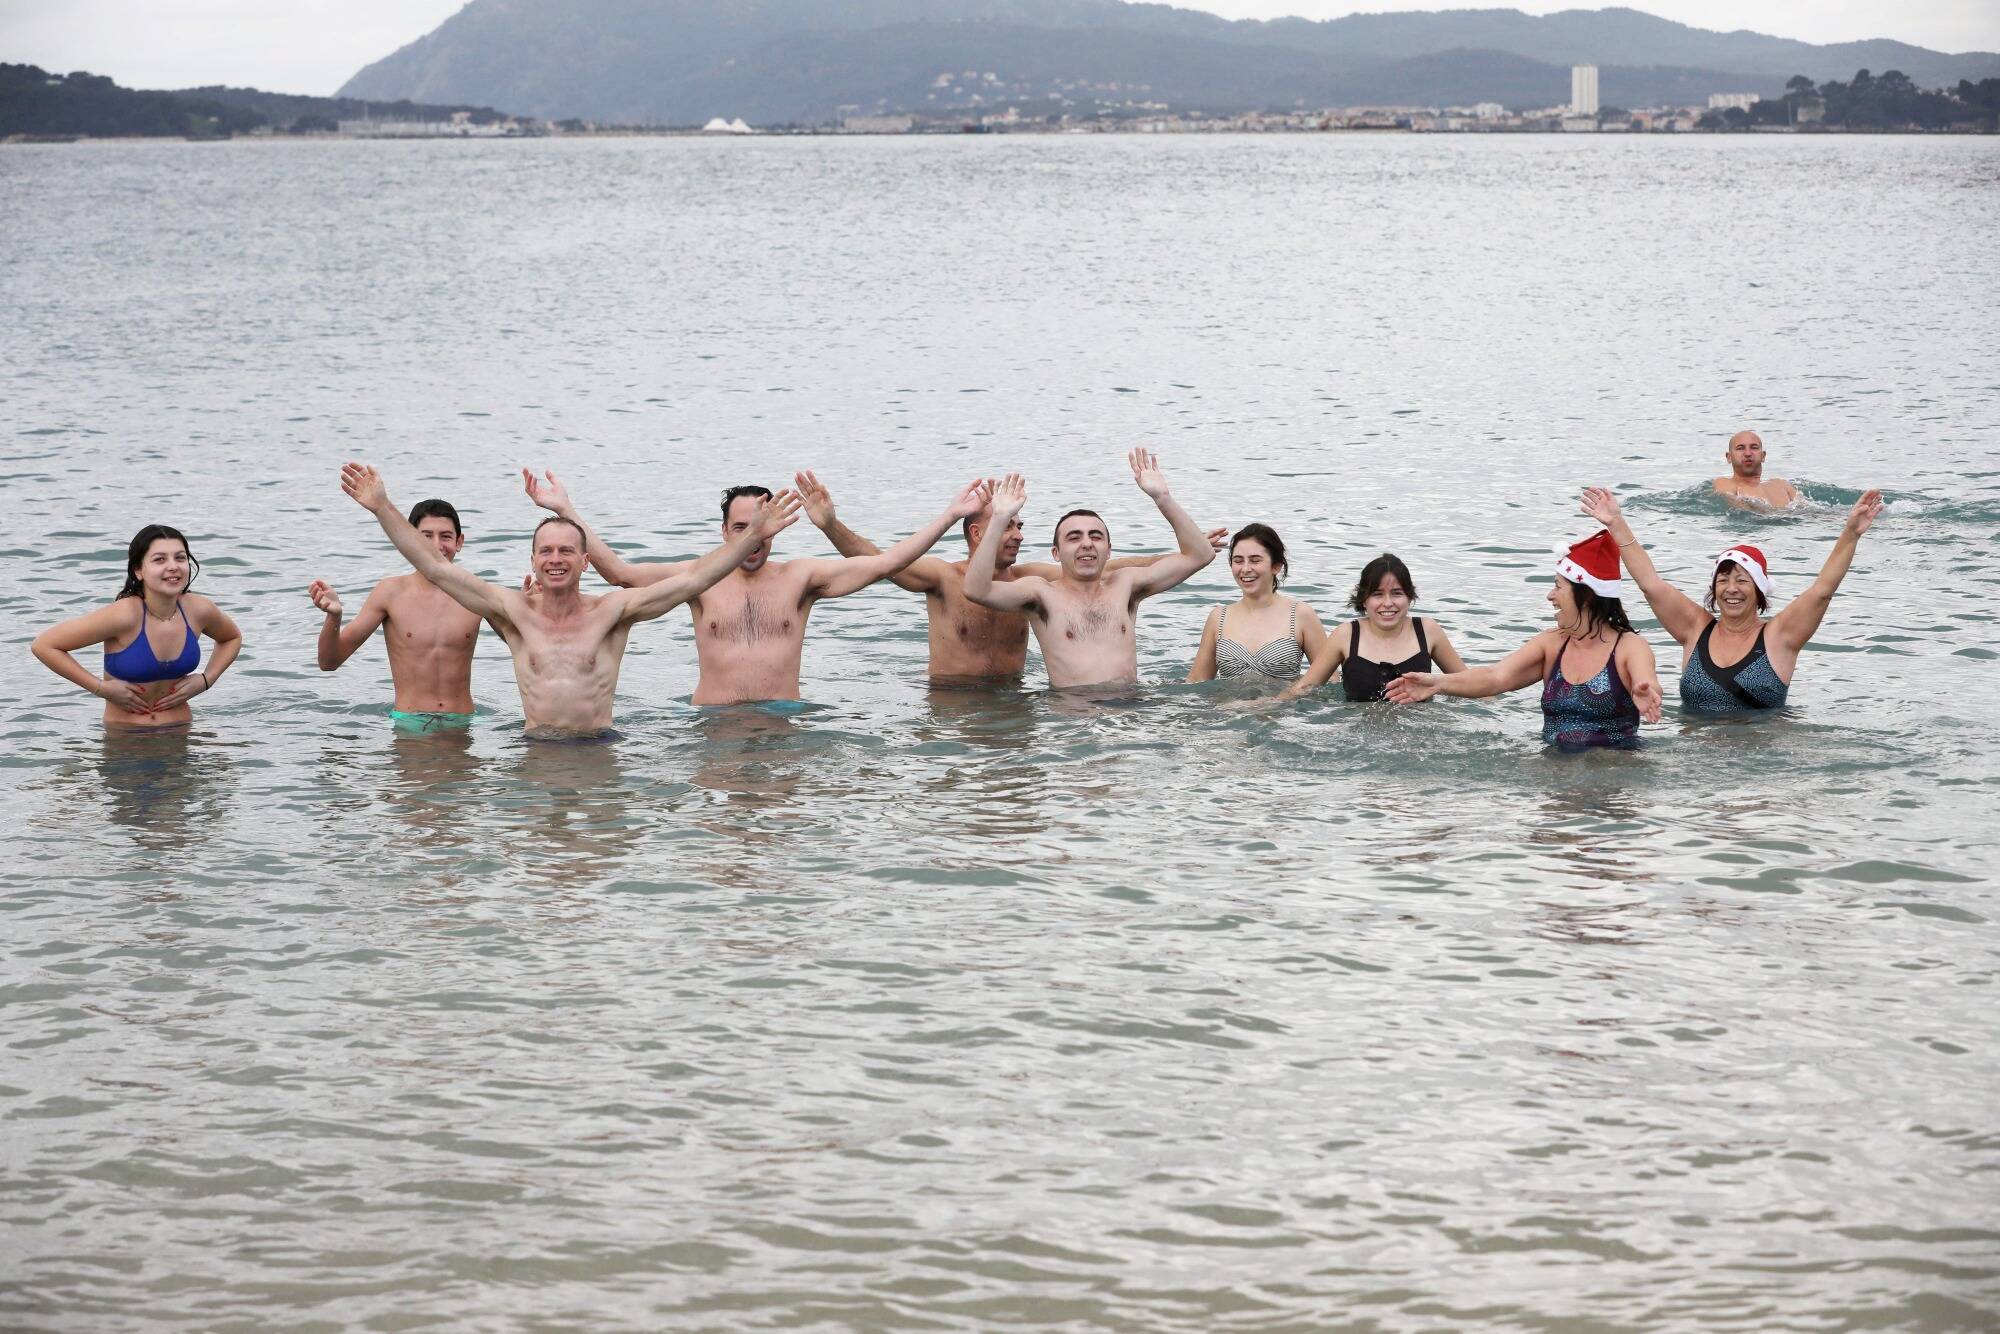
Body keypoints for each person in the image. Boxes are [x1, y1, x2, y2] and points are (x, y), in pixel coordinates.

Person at [340, 462, 803, 736]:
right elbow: (435, 567)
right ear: (534, 560)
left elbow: (692, 581)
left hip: (599, 748)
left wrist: (749, 539)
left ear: (585, 562)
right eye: (546, 551)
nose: (555, 559)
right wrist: (383, 506)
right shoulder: (511, 611)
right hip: (534, 749)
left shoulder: (615, 611)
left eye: (566, 551)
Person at [523, 469, 990, 705]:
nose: (755, 537)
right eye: (744, 527)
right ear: (725, 532)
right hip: (713, 723)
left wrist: (950, 516)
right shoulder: (699, 578)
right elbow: (618, 572)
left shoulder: (801, 578)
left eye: (764, 527)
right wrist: (565, 509)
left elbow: (888, 562)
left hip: (783, 722)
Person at [796, 471, 1225, 683]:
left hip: (1013, 697)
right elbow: (878, 561)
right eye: (1009, 526)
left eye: (1020, 525)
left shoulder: (1030, 578)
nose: (1019, 534)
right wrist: (831, 525)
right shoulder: (944, 578)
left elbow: (1105, 566)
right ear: (980, 533)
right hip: (954, 698)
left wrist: (1189, 551)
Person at [1580, 485, 1885, 714]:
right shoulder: (1695, 629)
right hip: (1698, 763)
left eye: (1742, 580)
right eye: (1723, 580)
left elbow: (1822, 590)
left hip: (1762, 764)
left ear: (1759, 593)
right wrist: (1617, 524)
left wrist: (1850, 534)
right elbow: (1650, 583)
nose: (1731, 588)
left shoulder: (1779, 636)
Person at [963, 450, 1217, 689]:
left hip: (1131, 711)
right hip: (1071, 715)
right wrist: (998, 518)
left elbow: (1200, 555)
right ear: (1056, 553)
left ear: (1108, 550)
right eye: (1074, 538)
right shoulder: (1040, 594)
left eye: (1095, 536)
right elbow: (976, 589)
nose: (1086, 543)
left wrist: (1162, 498)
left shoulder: (1126, 585)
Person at [1386, 531, 1663, 749]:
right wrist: (1437, 684)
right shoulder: (1551, 644)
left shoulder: (1628, 647)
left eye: (1557, 586)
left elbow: (1646, 682)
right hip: (1554, 773)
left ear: (1587, 596)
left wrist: (1645, 691)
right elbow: (1495, 678)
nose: (1550, 596)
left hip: (1613, 774)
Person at [32, 524, 243, 729]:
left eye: (180, 558)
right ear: (139, 570)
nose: (173, 566)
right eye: (160, 559)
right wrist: (101, 688)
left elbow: (231, 638)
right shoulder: (124, 615)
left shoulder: (198, 609)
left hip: (180, 733)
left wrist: (207, 680)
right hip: (125, 740)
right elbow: (45, 645)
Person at [307, 498, 486, 731]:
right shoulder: (390, 593)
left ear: (459, 542)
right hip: (410, 722)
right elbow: (328, 662)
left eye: (445, 536)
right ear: (410, 540)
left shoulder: (477, 592)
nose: (436, 545)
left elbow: (527, 640)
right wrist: (334, 617)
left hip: (463, 721)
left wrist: (537, 602)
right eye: (426, 536)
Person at [1275, 552, 1466, 702]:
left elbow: (1468, 683)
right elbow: (1305, 688)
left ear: (1409, 597)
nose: (1388, 603)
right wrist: (1262, 706)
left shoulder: (1427, 631)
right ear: (1364, 599)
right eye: (1377, 594)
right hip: (1357, 739)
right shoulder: (1346, 635)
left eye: (1397, 593)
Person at [1186, 524, 1328, 686]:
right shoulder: (1218, 618)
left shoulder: (1301, 615)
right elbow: (1196, 682)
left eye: (1255, 560)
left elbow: (1329, 681)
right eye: (1238, 561)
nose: (1245, 569)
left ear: (1276, 565)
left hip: (1283, 709)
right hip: (1227, 709)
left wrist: (1279, 701)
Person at [1712, 430, 1800, 509]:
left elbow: (1809, 512)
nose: (1748, 453)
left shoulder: (1782, 485)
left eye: (1754, 447)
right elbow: (1737, 506)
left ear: (1763, 456)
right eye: (1740, 448)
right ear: (1729, 457)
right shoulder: (1724, 483)